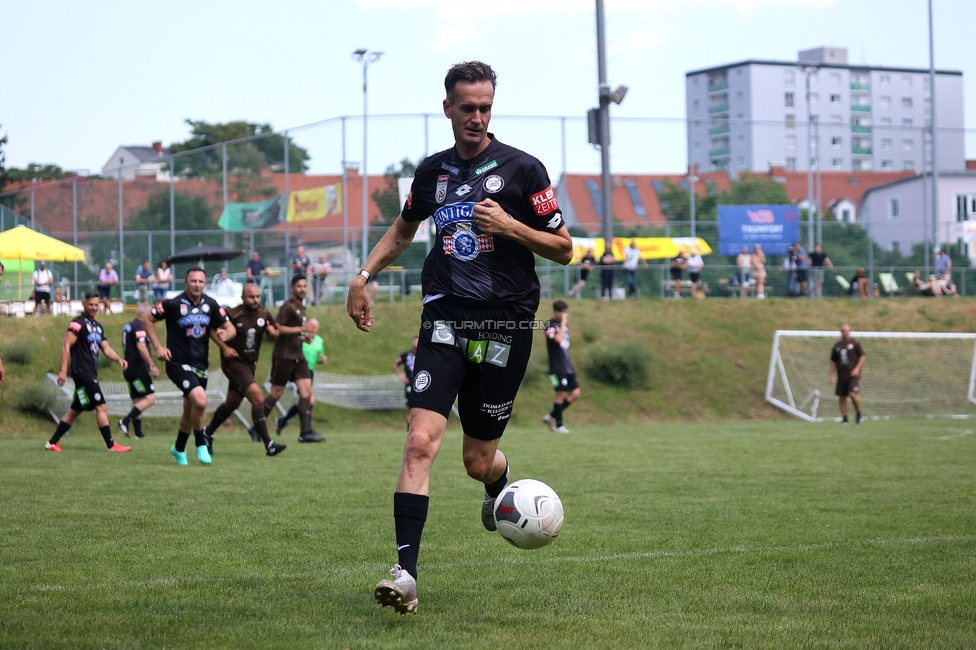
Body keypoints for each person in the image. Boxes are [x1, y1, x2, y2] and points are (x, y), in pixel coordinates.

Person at [346, 61, 572, 615]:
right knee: (420, 440)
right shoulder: (432, 173)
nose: (476, 116)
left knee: (477, 459)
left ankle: (499, 482)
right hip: (444, 320)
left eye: (485, 107)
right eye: (467, 107)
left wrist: (511, 228)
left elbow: (563, 245)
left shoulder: (524, 171)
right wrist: (363, 275)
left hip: (506, 327)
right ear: (447, 108)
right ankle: (406, 574)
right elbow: (404, 230)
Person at [144, 267, 234, 466]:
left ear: (205, 283)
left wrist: (227, 335)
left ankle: (178, 448)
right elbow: (147, 319)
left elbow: (229, 327)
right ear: (185, 282)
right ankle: (201, 444)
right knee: (200, 402)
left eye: (201, 282)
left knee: (189, 410)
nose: (197, 285)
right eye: (193, 281)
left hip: (201, 365)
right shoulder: (172, 304)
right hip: (177, 364)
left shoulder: (210, 304)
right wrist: (158, 347)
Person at [202, 283, 287, 457]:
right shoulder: (233, 313)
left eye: (257, 296)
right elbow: (209, 327)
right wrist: (224, 347)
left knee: (232, 403)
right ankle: (268, 444)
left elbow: (275, 332)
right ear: (242, 297)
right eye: (251, 297)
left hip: (249, 366)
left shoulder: (263, 313)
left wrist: (273, 333)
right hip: (233, 363)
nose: (255, 300)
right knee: (257, 396)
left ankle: (207, 433)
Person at [45, 292, 131, 453]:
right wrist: (63, 370)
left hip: (90, 372)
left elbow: (105, 347)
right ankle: (111, 445)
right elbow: (66, 345)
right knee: (101, 406)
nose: (93, 308)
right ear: (83, 304)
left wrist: (118, 359)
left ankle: (52, 442)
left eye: (96, 305)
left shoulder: (98, 326)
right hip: (82, 373)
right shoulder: (77, 324)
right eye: (90, 304)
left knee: (75, 410)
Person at [263, 274, 320, 443]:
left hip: (298, 355)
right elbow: (278, 328)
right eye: (299, 286)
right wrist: (302, 328)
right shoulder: (287, 307)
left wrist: (304, 336)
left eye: (304, 286)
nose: (302, 289)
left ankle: (305, 432)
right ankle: (256, 427)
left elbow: (295, 332)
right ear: (292, 288)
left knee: (306, 392)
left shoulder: (302, 308)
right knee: (276, 393)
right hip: (284, 356)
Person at [275, 318, 327, 435]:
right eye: (311, 325)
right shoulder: (300, 337)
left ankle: (283, 422)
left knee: (303, 401)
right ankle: (306, 429)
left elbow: (318, 356)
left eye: (315, 326)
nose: (313, 328)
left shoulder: (319, 340)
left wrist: (321, 359)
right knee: (309, 399)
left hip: (310, 371)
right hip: (299, 370)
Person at [116, 304, 160, 439]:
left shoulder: (128, 326)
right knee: (150, 398)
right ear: (142, 314)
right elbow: (141, 346)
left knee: (138, 400)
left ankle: (138, 433)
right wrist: (152, 365)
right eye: (149, 313)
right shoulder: (140, 327)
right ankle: (125, 420)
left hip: (129, 368)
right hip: (138, 369)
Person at [542, 300, 579, 434]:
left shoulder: (563, 325)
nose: (564, 314)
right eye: (561, 312)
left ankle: (551, 415)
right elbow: (557, 340)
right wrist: (563, 323)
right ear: (555, 311)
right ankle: (559, 425)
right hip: (557, 366)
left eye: (565, 312)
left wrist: (563, 324)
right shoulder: (549, 325)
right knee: (560, 394)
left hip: (567, 366)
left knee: (575, 393)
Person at [829, 324, 866, 424]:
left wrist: (856, 369)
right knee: (842, 397)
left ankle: (859, 413)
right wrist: (831, 375)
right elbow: (833, 361)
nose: (845, 332)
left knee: (852, 394)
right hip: (841, 375)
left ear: (849, 332)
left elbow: (862, 356)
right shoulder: (837, 346)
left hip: (853, 375)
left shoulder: (854, 343)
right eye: (843, 330)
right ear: (841, 332)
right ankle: (845, 418)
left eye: (847, 330)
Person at [393, 337, 419, 430]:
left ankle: (418, 426)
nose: (416, 343)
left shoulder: (424, 354)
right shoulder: (406, 355)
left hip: (420, 384)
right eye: (415, 340)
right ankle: (409, 427)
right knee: (409, 407)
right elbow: (395, 364)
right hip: (409, 384)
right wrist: (401, 377)